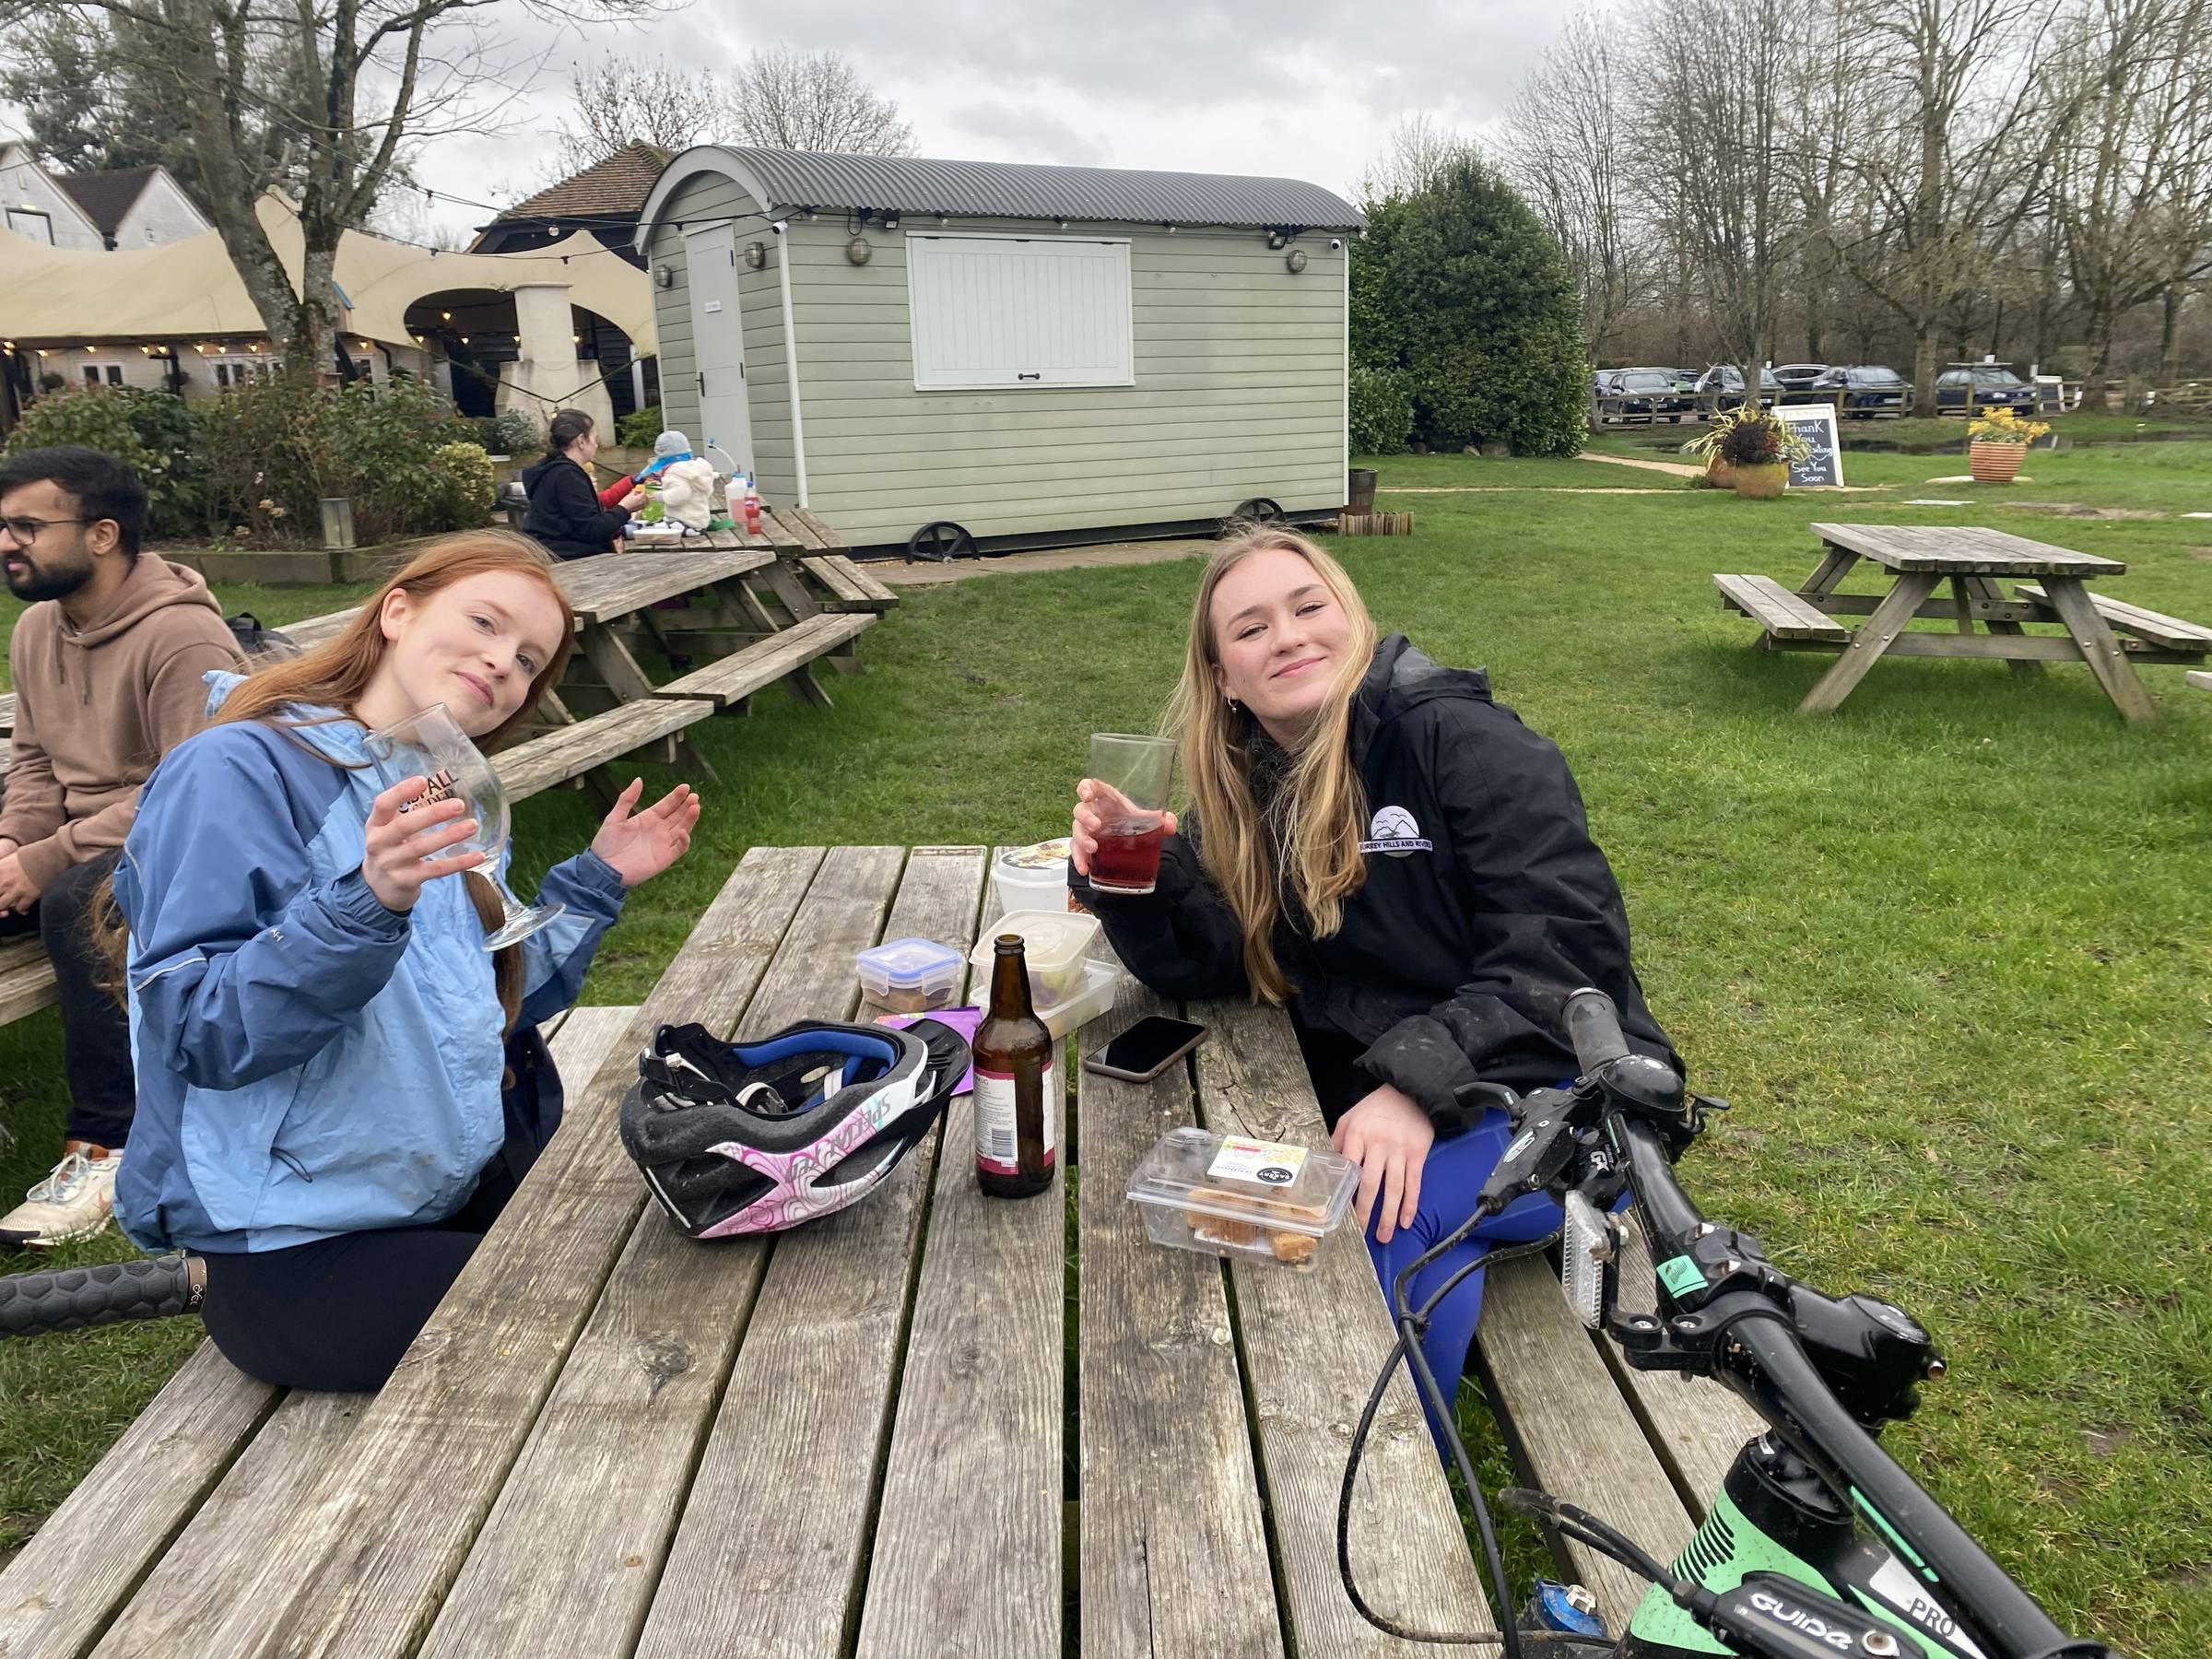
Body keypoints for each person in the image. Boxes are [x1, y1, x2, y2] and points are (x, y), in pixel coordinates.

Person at [1068, 527, 1677, 1449]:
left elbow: (1566, 957)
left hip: (1571, 1088)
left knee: (1388, 1221)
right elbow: (1223, 960)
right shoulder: (1250, 782)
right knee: (1231, 1198)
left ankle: (1401, 1489)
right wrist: (1144, 879)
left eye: (1308, 607)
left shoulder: (1464, 743)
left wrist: (1415, 1085)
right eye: (1251, 628)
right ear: (1224, 678)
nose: (1287, 636)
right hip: (1397, 1084)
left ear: (1351, 621)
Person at [107, 529, 701, 1392]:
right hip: (297, 1245)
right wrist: (368, 900)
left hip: (437, 1198)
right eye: (486, 623)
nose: (503, 663)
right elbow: (201, 1033)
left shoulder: (438, 783)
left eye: (529, 661)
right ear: (396, 611)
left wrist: (598, 880)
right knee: (618, 1349)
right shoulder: (238, 769)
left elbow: (477, 1003)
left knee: (684, 1265)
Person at [0, 446, 246, 1248]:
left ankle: (109, 1145)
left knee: (79, 902)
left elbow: (194, 792)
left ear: (102, 534)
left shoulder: (185, 638)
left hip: (177, 846)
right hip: (80, 837)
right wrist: (13, 845)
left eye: (27, 526)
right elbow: (34, 763)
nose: (7, 543)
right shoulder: (37, 627)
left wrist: (45, 862)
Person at [521, 409, 645, 559]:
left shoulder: (552, 471)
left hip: (548, 556)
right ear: (581, 440)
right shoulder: (567, 475)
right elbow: (592, 529)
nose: (596, 445)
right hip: (568, 562)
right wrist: (625, 508)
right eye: (594, 438)